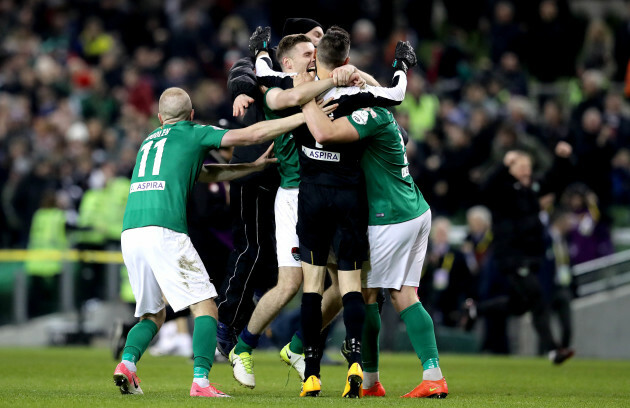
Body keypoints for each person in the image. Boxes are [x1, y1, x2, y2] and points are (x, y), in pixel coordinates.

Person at [229, 27, 408, 392]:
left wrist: (352, 73)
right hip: (297, 194)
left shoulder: (320, 79)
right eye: (307, 52)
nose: (314, 56)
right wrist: (319, 88)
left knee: (345, 286)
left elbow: (377, 93)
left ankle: (300, 350)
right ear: (290, 61)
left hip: (325, 192)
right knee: (293, 283)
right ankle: (242, 347)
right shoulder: (282, 84)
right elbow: (274, 89)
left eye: (317, 51)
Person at [111, 87, 307, 398]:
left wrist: (252, 168)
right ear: (190, 116)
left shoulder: (149, 141)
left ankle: (127, 364)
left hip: (131, 233)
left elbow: (203, 173)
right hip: (165, 229)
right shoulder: (192, 132)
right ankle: (201, 382)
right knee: (205, 307)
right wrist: (302, 116)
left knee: (153, 314)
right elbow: (252, 134)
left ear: (160, 118)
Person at [298, 41, 449, 398]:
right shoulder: (379, 105)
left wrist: (303, 95)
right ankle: (390, 380)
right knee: (395, 293)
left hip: (390, 216)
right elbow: (371, 88)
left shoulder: (366, 114)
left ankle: (409, 378)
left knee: (382, 296)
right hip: (413, 209)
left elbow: (325, 133)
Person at [217, 17, 325, 357]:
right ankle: (229, 325)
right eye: (313, 39)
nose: (318, 47)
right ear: (290, 49)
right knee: (252, 250)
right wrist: (241, 92)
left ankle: (293, 339)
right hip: (256, 172)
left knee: (308, 272)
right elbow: (241, 72)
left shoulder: (319, 75)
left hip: (293, 182)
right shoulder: (266, 72)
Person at [462, 142, 576, 365]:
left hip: (531, 256)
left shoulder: (532, 188)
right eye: (519, 166)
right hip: (512, 257)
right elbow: (485, 187)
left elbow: (554, 179)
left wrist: (562, 158)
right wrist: (502, 165)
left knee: (519, 305)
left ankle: (475, 309)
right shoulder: (502, 189)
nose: (525, 170)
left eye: (527, 166)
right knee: (536, 296)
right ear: (511, 169)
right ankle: (553, 350)